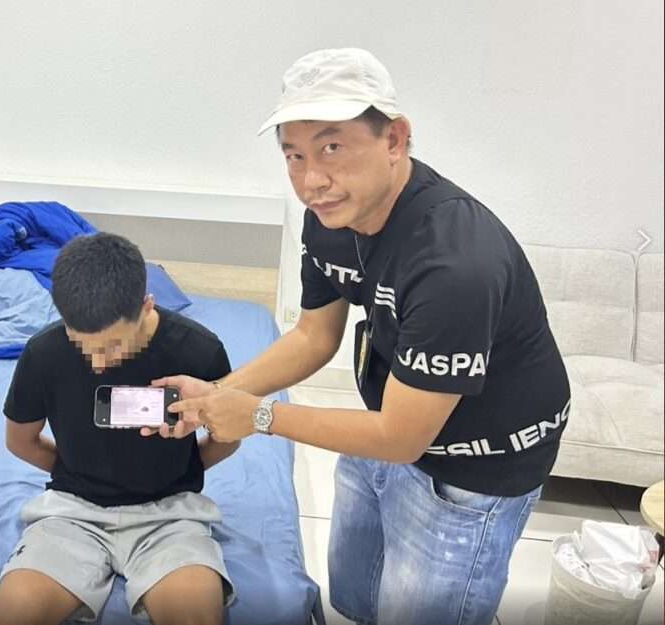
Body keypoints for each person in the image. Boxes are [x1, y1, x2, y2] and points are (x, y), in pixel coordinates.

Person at [153, 48, 571, 625]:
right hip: (386, 424)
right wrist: (218, 393)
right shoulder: (328, 218)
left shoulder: (454, 264)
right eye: (294, 155)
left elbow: (401, 438)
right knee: (354, 595)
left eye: (332, 147)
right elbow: (313, 336)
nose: (311, 180)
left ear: (395, 139)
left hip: (473, 468)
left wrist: (259, 416)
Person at [0, 232, 238, 625]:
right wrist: (79, 474)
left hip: (170, 518)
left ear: (146, 306)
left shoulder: (198, 351)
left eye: (113, 346)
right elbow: (21, 441)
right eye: (82, 345)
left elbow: (228, 436)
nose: (98, 363)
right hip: (71, 516)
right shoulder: (43, 353)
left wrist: (185, 470)